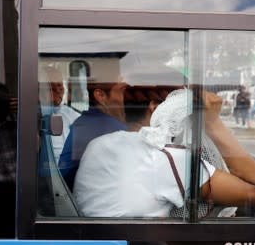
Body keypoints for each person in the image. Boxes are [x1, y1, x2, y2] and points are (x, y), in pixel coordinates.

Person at [74, 88, 255, 217]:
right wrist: (214, 125)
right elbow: (249, 194)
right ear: (156, 108)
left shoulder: (98, 144)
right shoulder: (164, 158)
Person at [58, 80, 128, 191]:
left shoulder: (82, 123)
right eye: (123, 92)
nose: (130, 98)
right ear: (100, 96)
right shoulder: (116, 130)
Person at [39, 67, 80, 164]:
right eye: (51, 87)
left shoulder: (71, 115)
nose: (57, 90)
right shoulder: (30, 114)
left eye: (59, 85)